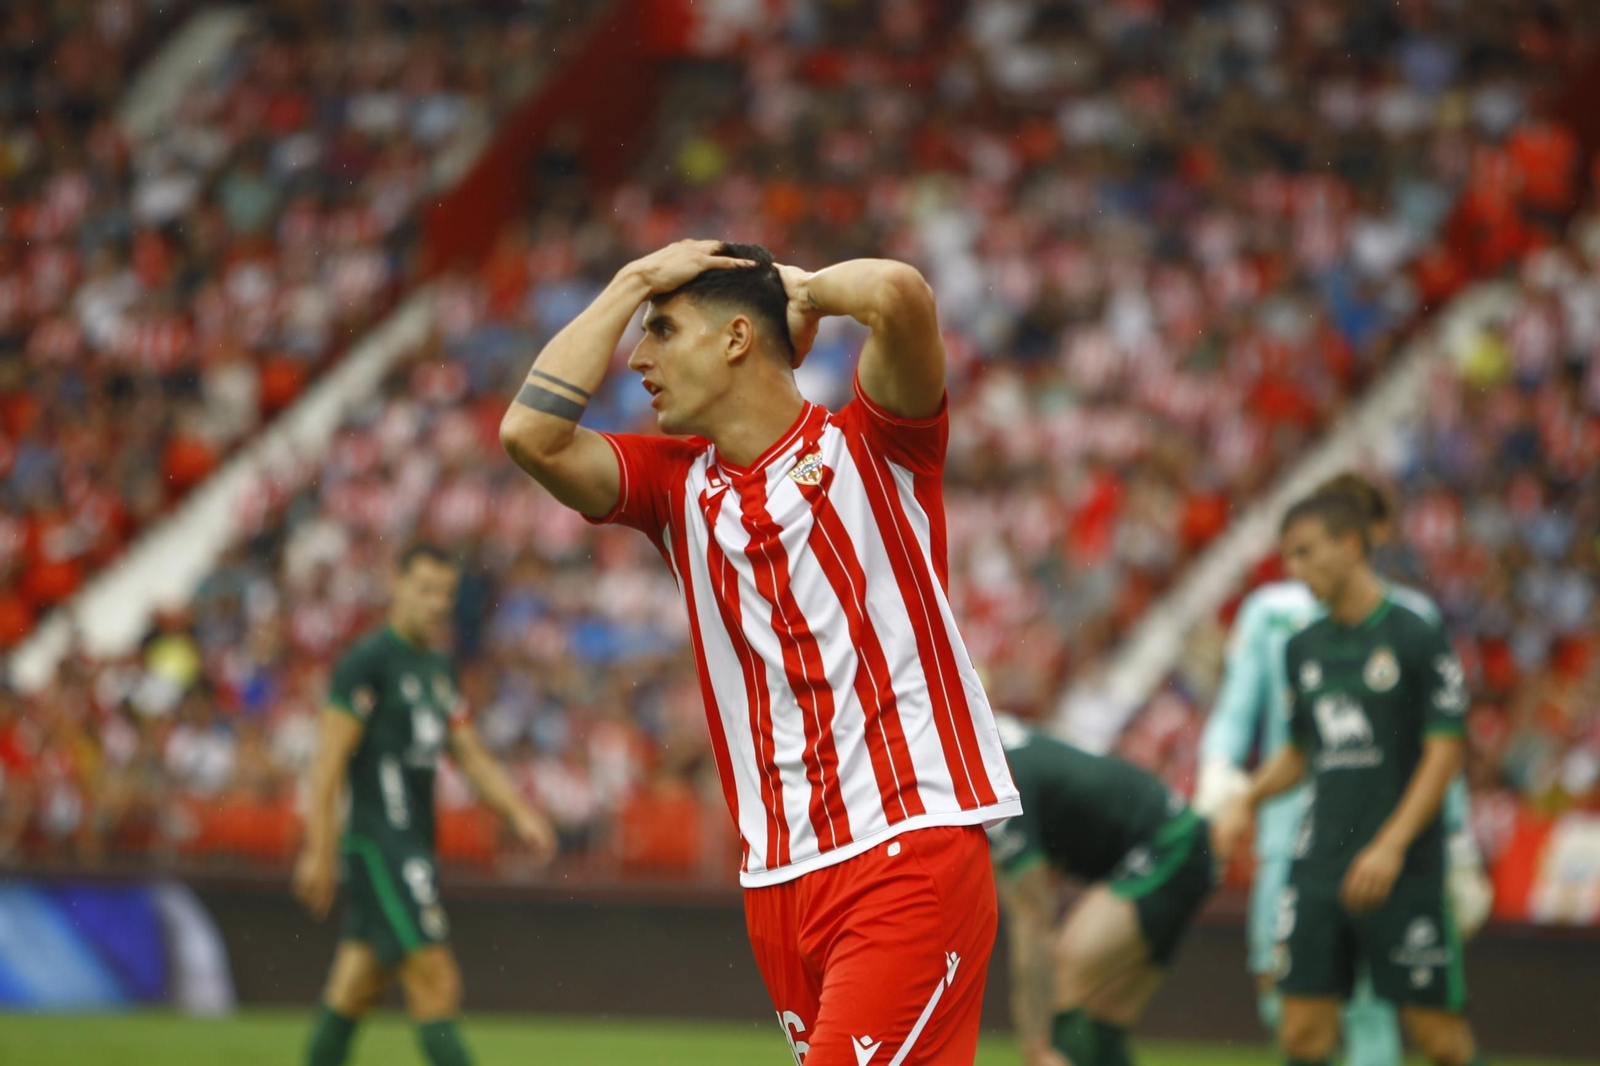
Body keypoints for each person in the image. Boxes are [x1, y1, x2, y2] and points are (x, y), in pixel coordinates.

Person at [498, 239, 1021, 1065]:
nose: (636, 359)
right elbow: (530, 434)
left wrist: (799, 293)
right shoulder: (675, 487)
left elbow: (899, 293)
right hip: (778, 882)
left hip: (904, 843)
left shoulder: (874, 444)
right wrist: (633, 282)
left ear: (737, 337)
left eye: (662, 330)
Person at [1195, 474, 1491, 1066]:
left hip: (1403, 866)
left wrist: (1396, 847)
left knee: (1439, 1038)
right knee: (1301, 1032)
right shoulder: (1302, 647)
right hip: (1319, 861)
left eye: (1305, 553)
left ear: (1352, 545)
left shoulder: (1415, 634)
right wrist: (1246, 799)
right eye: (1289, 556)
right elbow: (1302, 751)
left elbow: (1445, 754)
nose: (1295, 570)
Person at [293, 543, 558, 1066]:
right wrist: (318, 850)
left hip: (415, 842)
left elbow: (470, 754)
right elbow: (327, 765)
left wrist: (518, 812)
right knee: (436, 980)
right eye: (425, 589)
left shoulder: (439, 669)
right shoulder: (366, 663)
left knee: (357, 984)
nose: (437, 603)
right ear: (396, 585)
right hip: (379, 843)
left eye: (445, 593)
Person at [988, 713, 1217, 1066]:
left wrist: (1034, 1045)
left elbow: (1033, 921)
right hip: (1177, 839)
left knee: (1058, 980)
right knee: (1103, 1018)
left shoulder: (993, 782)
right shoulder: (991, 741)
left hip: (1169, 844)